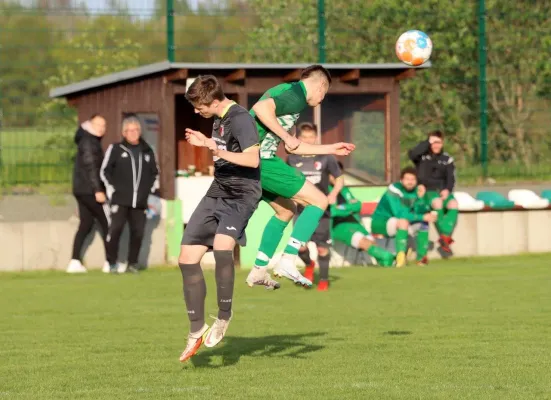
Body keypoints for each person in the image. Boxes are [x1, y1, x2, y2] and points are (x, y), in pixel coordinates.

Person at [245, 65, 356, 289]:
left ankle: (259, 269)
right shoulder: (296, 95)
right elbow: (260, 108)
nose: (322, 99)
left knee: (287, 210)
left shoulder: (289, 95)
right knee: (320, 200)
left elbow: (293, 147)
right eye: (324, 94)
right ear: (321, 86)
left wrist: (332, 148)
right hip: (261, 161)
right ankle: (288, 259)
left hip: (252, 163)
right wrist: (285, 134)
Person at [177, 76, 262, 362]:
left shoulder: (240, 118)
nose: (195, 111)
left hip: (241, 194)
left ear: (213, 102)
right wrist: (207, 142)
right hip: (218, 189)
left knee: (223, 249)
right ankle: (196, 329)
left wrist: (215, 150)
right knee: (187, 258)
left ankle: (224, 316)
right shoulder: (219, 117)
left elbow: (252, 160)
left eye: (199, 106)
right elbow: (227, 149)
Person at [286, 122, 344, 290]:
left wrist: (333, 194)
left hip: (321, 210)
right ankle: (309, 265)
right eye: (305, 137)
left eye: (311, 137)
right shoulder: (292, 158)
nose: (309, 140)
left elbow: (339, 179)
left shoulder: (326, 157)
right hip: (300, 210)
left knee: (322, 248)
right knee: (300, 246)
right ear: (299, 138)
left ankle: (324, 280)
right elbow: (287, 181)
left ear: (316, 137)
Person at [100, 115, 159, 274]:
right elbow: (104, 171)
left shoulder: (147, 150)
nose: (133, 133)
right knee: (115, 230)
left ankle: (132, 264)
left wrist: (150, 192)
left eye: (136, 130)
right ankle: (111, 262)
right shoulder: (116, 149)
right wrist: (112, 190)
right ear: (124, 133)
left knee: (138, 233)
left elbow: (155, 174)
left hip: (140, 202)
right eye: (130, 130)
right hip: (120, 199)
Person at [328, 162, 396, 272]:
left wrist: (342, 208)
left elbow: (358, 205)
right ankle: (387, 258)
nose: (337, 177)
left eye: (339, 174)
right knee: (361, 240)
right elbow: (332, 212)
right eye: (333, 174)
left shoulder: (344, 190)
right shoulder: (325, 190)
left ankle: (386, 262)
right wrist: (347, 209)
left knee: (370, 240)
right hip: (337, 225)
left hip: (352, 221)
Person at [67, 114, 110, 274]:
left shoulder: (86, 139)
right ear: (90, 125)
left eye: (104, 125)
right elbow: (91, 167)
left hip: (81, 189)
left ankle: (75, 261)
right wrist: (98, 190)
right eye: (98, 125)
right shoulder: (89, 142)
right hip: (90, 190)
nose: (101, 128)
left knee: (86, 223)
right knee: (107, 223)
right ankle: (110, 262)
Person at [370, 167, 436, 267]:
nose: (410, 182)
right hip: (381, 222)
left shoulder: (416, 190)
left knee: (423, 224)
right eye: (407, 179)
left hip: (402, 223)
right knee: (404, 221)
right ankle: (400, 259)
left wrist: (421, 199)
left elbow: (419, 212)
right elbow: (399, 214)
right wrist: (422, 216)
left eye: (413, 179)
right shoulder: (394, 189)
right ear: (401, 180)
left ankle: (421, 259)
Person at [408, 131, 458, 254]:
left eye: (439, 142)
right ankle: (446, 236)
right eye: (434, 142)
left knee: (453, 204)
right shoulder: (422, 157)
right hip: (428, 191)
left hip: (442, 191)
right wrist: (427, 142)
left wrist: (447, 190)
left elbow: (451, 178)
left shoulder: (447, 159)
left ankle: (444, 236)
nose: (436, 145)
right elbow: (412, 154)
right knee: (437, 204)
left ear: (442, 143)